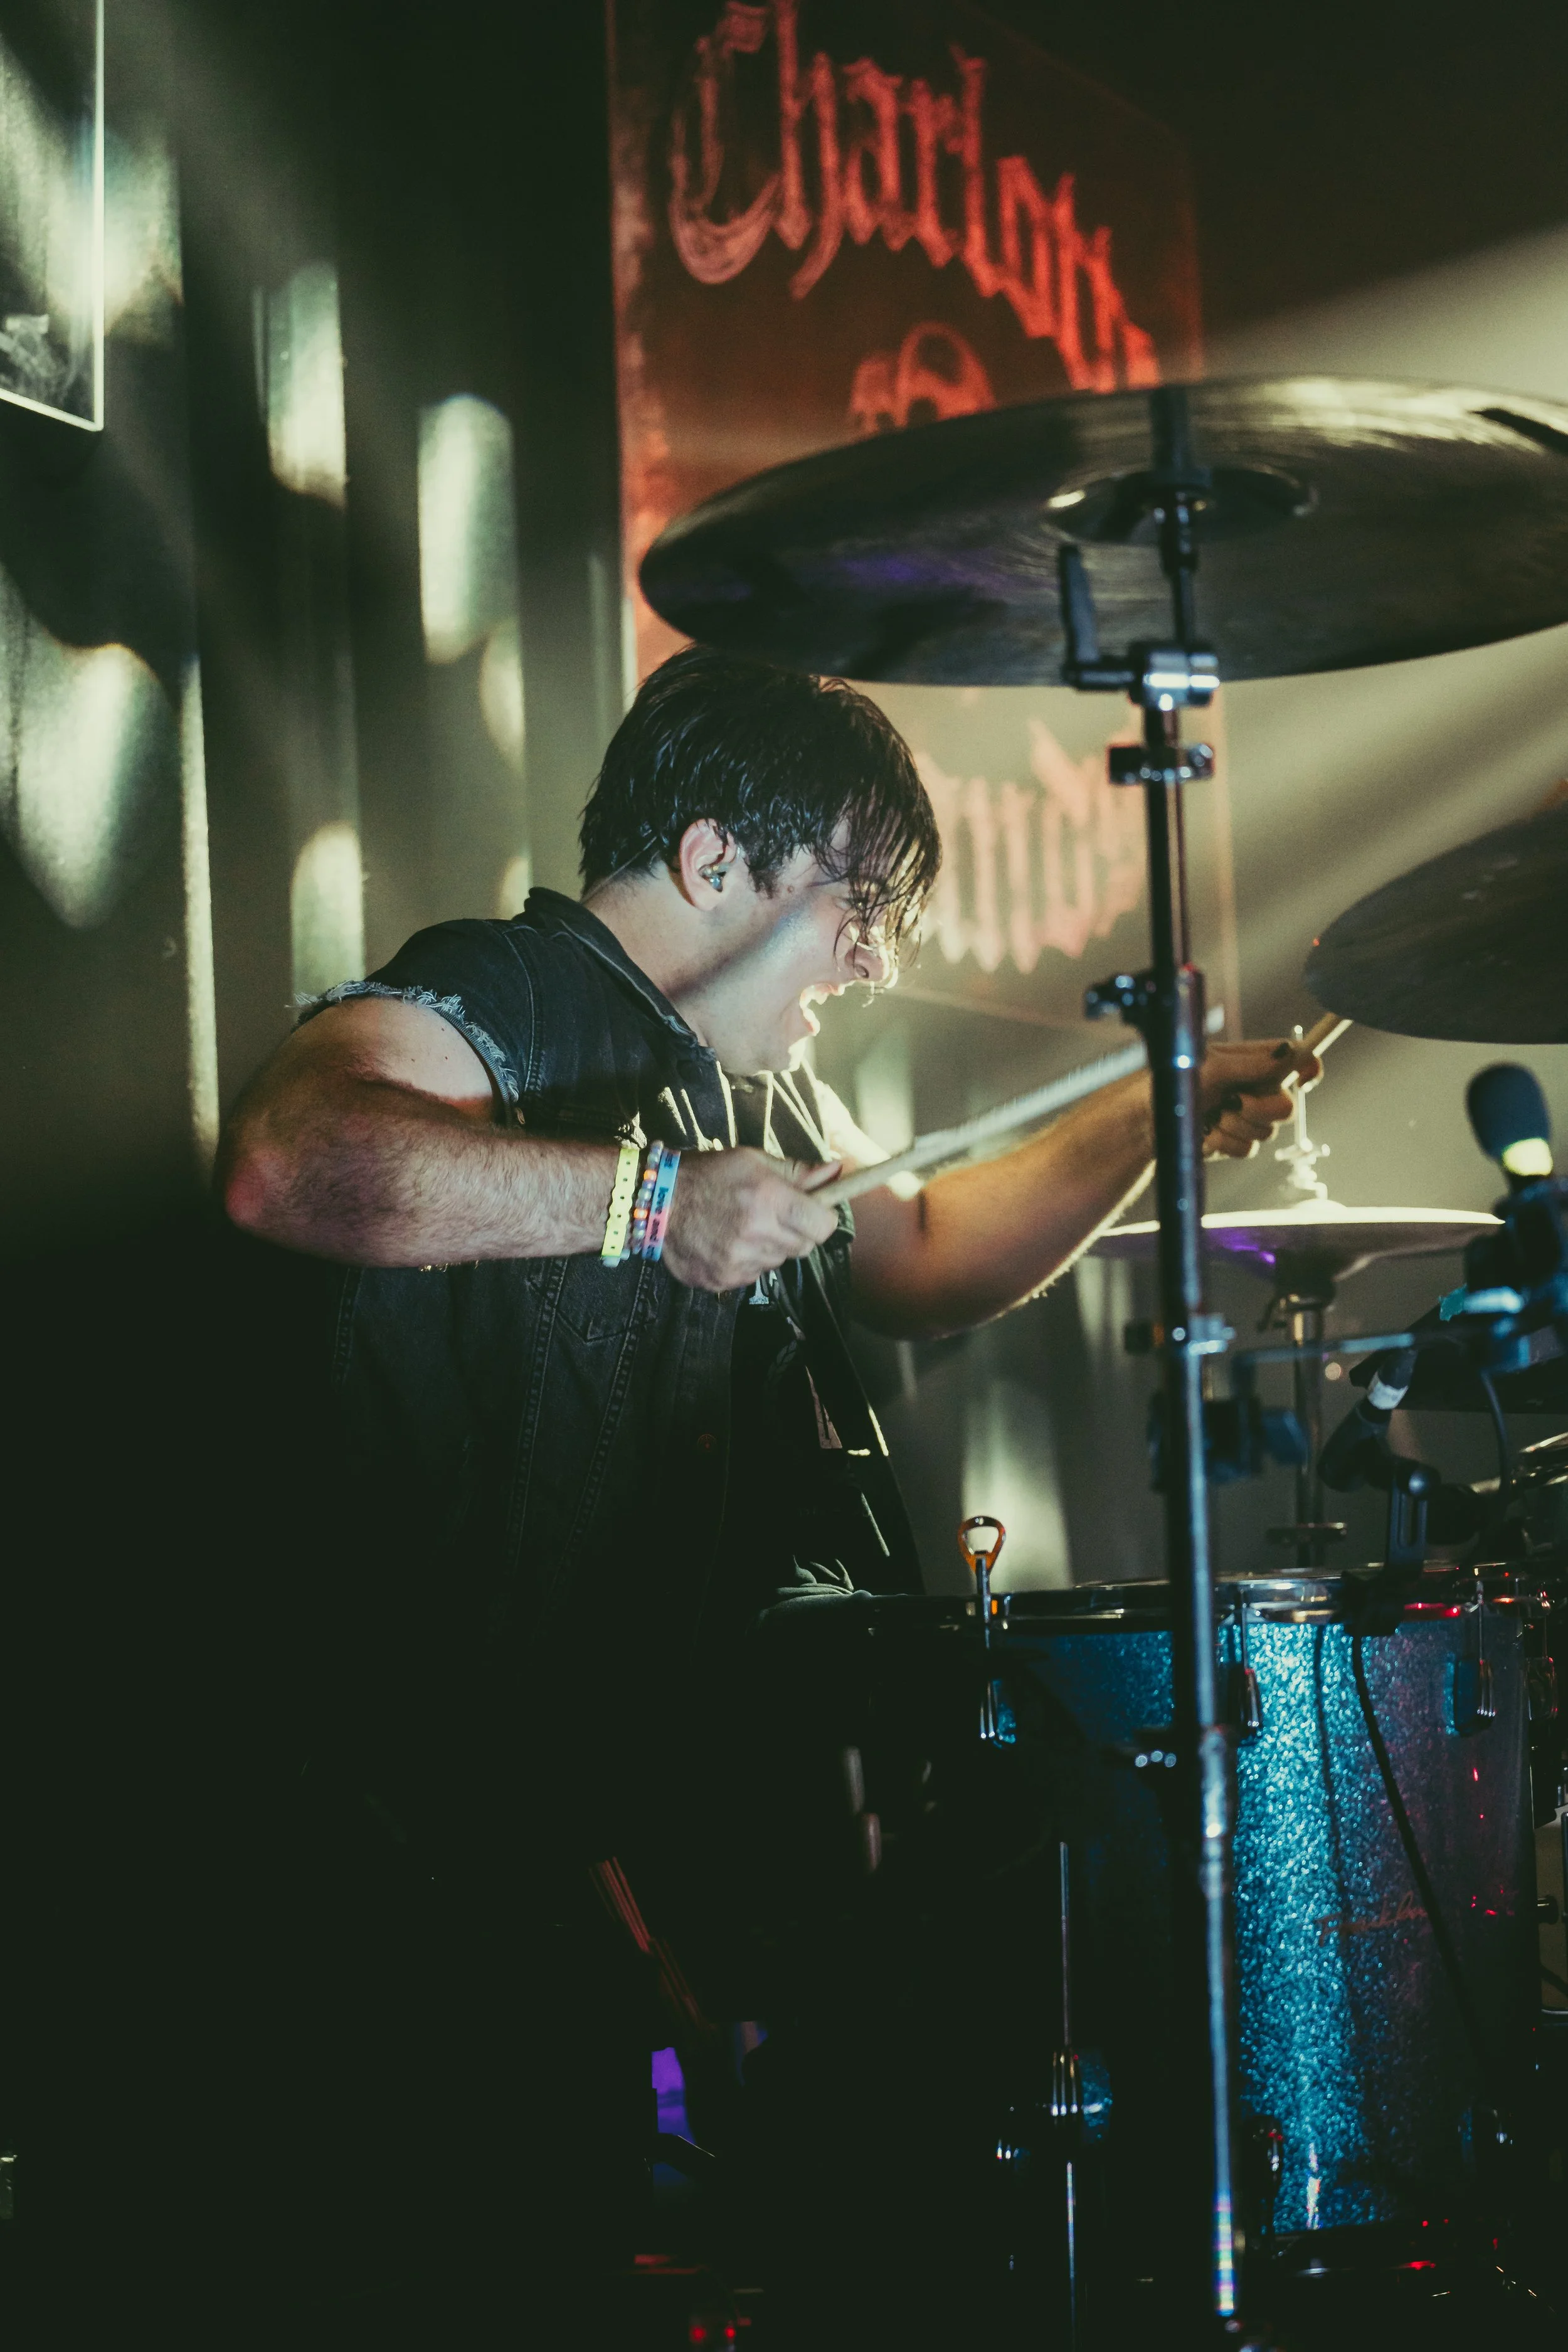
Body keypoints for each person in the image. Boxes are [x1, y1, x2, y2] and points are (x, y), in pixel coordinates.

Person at [215, 644, 1314, 2338]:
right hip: (427, 1867)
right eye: (853, 903)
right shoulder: (501, 985)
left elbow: (926, 1255)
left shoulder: (746, 1081)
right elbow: (295, 1155)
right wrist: (649, 1205)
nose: (871, 958)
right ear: (714, 855)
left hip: (635, 1851)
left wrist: (1148, 1116)